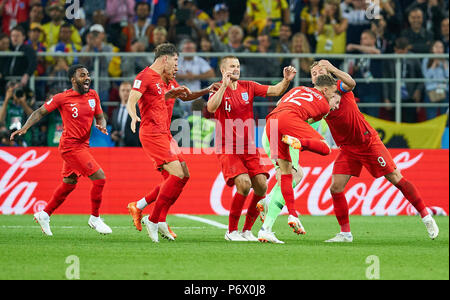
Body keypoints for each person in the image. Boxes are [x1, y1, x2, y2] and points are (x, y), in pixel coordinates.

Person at [309, 60, 439, 242]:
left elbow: (352, 83)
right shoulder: (314, 99)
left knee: (396, 178)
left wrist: (330, 68)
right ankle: (345, 234)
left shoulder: (338, 86)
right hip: (347, 149)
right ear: (311, 79)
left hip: (367, 142)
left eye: (320, 70)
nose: (317, 73)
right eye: (313, 72)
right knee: (335, 188)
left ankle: (426, 217)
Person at [126, 43, 215, 243]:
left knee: (182, 176)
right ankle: (154, 219)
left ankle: (142, 207)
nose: (177, 66)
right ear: (164, 59)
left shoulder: (168, 81)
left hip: (165, 134)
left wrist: (208, 89)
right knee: (176, 175)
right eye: (175, 61)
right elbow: (132, 101)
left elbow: (187, 96)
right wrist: (133, 116)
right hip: (152, 133)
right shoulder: (145, 77)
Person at [10, 64, 112, 236]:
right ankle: (95, 218)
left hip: (83, 145)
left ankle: (44, 214)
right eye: (82, 75)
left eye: (87, 74)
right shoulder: (62, 98)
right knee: (100, 178)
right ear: (73, 79)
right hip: (70, 147)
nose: (87, 78)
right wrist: (25, 128)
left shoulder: (93, 95)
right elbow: (40, 112)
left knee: (69, 183)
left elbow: (100, 115)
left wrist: (101, 124)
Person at [207, 56, 297, 242]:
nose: (236, 69)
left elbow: (274, 91)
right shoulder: (217, 88)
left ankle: (247, 230)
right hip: (228, 147)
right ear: (223, 70)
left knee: (261, 186)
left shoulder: (248, 86)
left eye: (238, 66)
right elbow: (210, 107)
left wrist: (286, 80)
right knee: (244, 184)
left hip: (248, 147)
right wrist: (223, 86)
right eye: (232, 66)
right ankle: (231, 231)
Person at [261, 74, 340, 243]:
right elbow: (307, 121)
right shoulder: (324, 107)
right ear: (325, 90)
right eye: (333, 95)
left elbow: (279, 104)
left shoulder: (298, 89)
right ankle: (269, 202)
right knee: (326, 148)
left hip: (271, 124)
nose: (334, 100)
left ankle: (269, 227)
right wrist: (301, 141)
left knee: (287, 174)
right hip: (288, 125)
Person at [175, 39, 215, 117]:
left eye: (191, 49)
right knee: (181, 123)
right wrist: (185, 77)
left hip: (196, 98)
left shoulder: (199, 60)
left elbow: (211, 74)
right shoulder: (177, 61)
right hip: (179, 98)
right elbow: (167, 73)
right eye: (186, 49)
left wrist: (195, 76)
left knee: (197, 124)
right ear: (182, 50)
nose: (188, 51)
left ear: (195, 50)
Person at [421, 40, 449, 120]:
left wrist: (444, 65)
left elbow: (448, 76)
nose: (439, 49)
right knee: (431, 117)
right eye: (436, 47)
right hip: (431, 91)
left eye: (441, 47)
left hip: (444, 91)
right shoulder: (426, 60)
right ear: (432, 49)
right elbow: (426, 76)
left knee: (445, 118)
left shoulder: (446, 61)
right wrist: (433, 64)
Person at [110, 81, 141, 146]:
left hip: (133, 148)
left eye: (128, 91)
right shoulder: (115, 111)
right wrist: (113, 135)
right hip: (118, 146)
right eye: (123, 90)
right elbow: (113, 129)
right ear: (119, 92)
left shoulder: (138, 111)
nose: (125, 93)